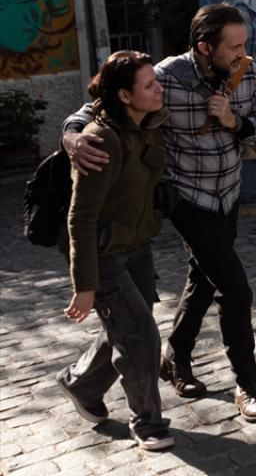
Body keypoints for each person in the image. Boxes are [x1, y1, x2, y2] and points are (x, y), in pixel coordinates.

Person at [63, 3, 256, 422]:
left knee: (203, 278)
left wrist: (236, 122)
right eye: (233, 46)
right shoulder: (165, 77)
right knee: (235, 288)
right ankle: (247, 385)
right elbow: (101, 104)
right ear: (204, 46)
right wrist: (72, 137)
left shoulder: (249, 77)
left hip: (228, 194)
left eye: (244, 44)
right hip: (187, 198)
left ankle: (176, 356)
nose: (242, 53)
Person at [55, 50, 174, 451]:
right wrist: (84, 285)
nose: (160, 89)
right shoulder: (99, 140)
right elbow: (80, 219)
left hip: (137, 246)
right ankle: (148, 422)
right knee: (141, 335)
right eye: (150, 85)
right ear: (124, 95)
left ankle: (81, 383)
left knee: (127, 327)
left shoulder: (148, 123)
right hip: (104, 254)